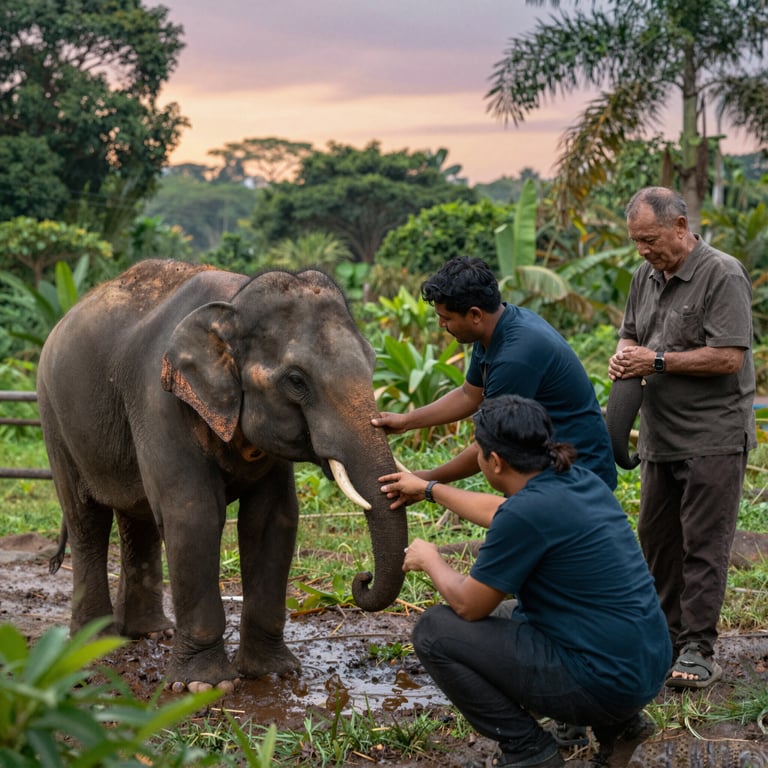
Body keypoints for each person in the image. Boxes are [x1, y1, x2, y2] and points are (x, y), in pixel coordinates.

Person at [379, 395, 671, 768]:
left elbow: (469, 605)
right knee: (509, 614)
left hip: (605, 681)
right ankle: (622, 727)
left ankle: (528, 751)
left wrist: (431, 559)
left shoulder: (527, 513)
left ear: (495, 461)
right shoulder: (577, 479)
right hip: (646, 662)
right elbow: (502, 511)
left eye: (479, 452)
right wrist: (429, 489)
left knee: (435, 631)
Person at [608, 186, 756, 689]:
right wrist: (625, 353)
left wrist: (658, 360)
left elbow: (729, 357)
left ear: (679, 227)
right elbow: (631, 332)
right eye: (636, 242)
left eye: (650, 239)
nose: (644, 250)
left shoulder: (722, 273)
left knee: (703, 543)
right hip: (660, 434)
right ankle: (665, 638)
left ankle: (698, 648)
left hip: (713, 433)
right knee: (658, 541)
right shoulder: (643, 277)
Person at [372, 256, 617, 492]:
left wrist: (427, 481)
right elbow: (469, 395)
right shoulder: (494, 328)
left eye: (446, 318)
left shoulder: (516, 355)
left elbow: (491, 441)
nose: (441, 325)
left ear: (475, 314)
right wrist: (407, 421)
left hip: (577, 473)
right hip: (541, 464)